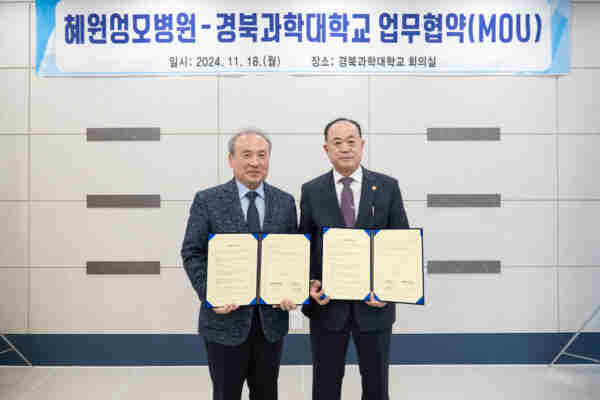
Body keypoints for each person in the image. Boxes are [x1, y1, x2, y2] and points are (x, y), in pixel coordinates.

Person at [181, 130, 298, 400]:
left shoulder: (285, 202)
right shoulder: (208, 201)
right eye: (246, 155)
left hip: (270, 324)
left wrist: (294, 289)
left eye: (261, 155)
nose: (254, 162)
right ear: (230, 160)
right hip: (223, 322)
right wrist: (211, 294)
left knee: (267, 393)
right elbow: (192, 252)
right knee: (226, 394)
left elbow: (292, 254)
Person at [299, 118, 409, 400]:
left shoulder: (387, 187)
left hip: (375, 306)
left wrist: (389, 290)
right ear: (326, 149)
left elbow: (401, 246)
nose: (345, 148)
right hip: (327, 308)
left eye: (351, 141)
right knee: (325, 385)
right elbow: (304, 246)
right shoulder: (312, 190)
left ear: (362, 144)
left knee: (376, 386)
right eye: (337, 143)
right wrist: (309, 283)